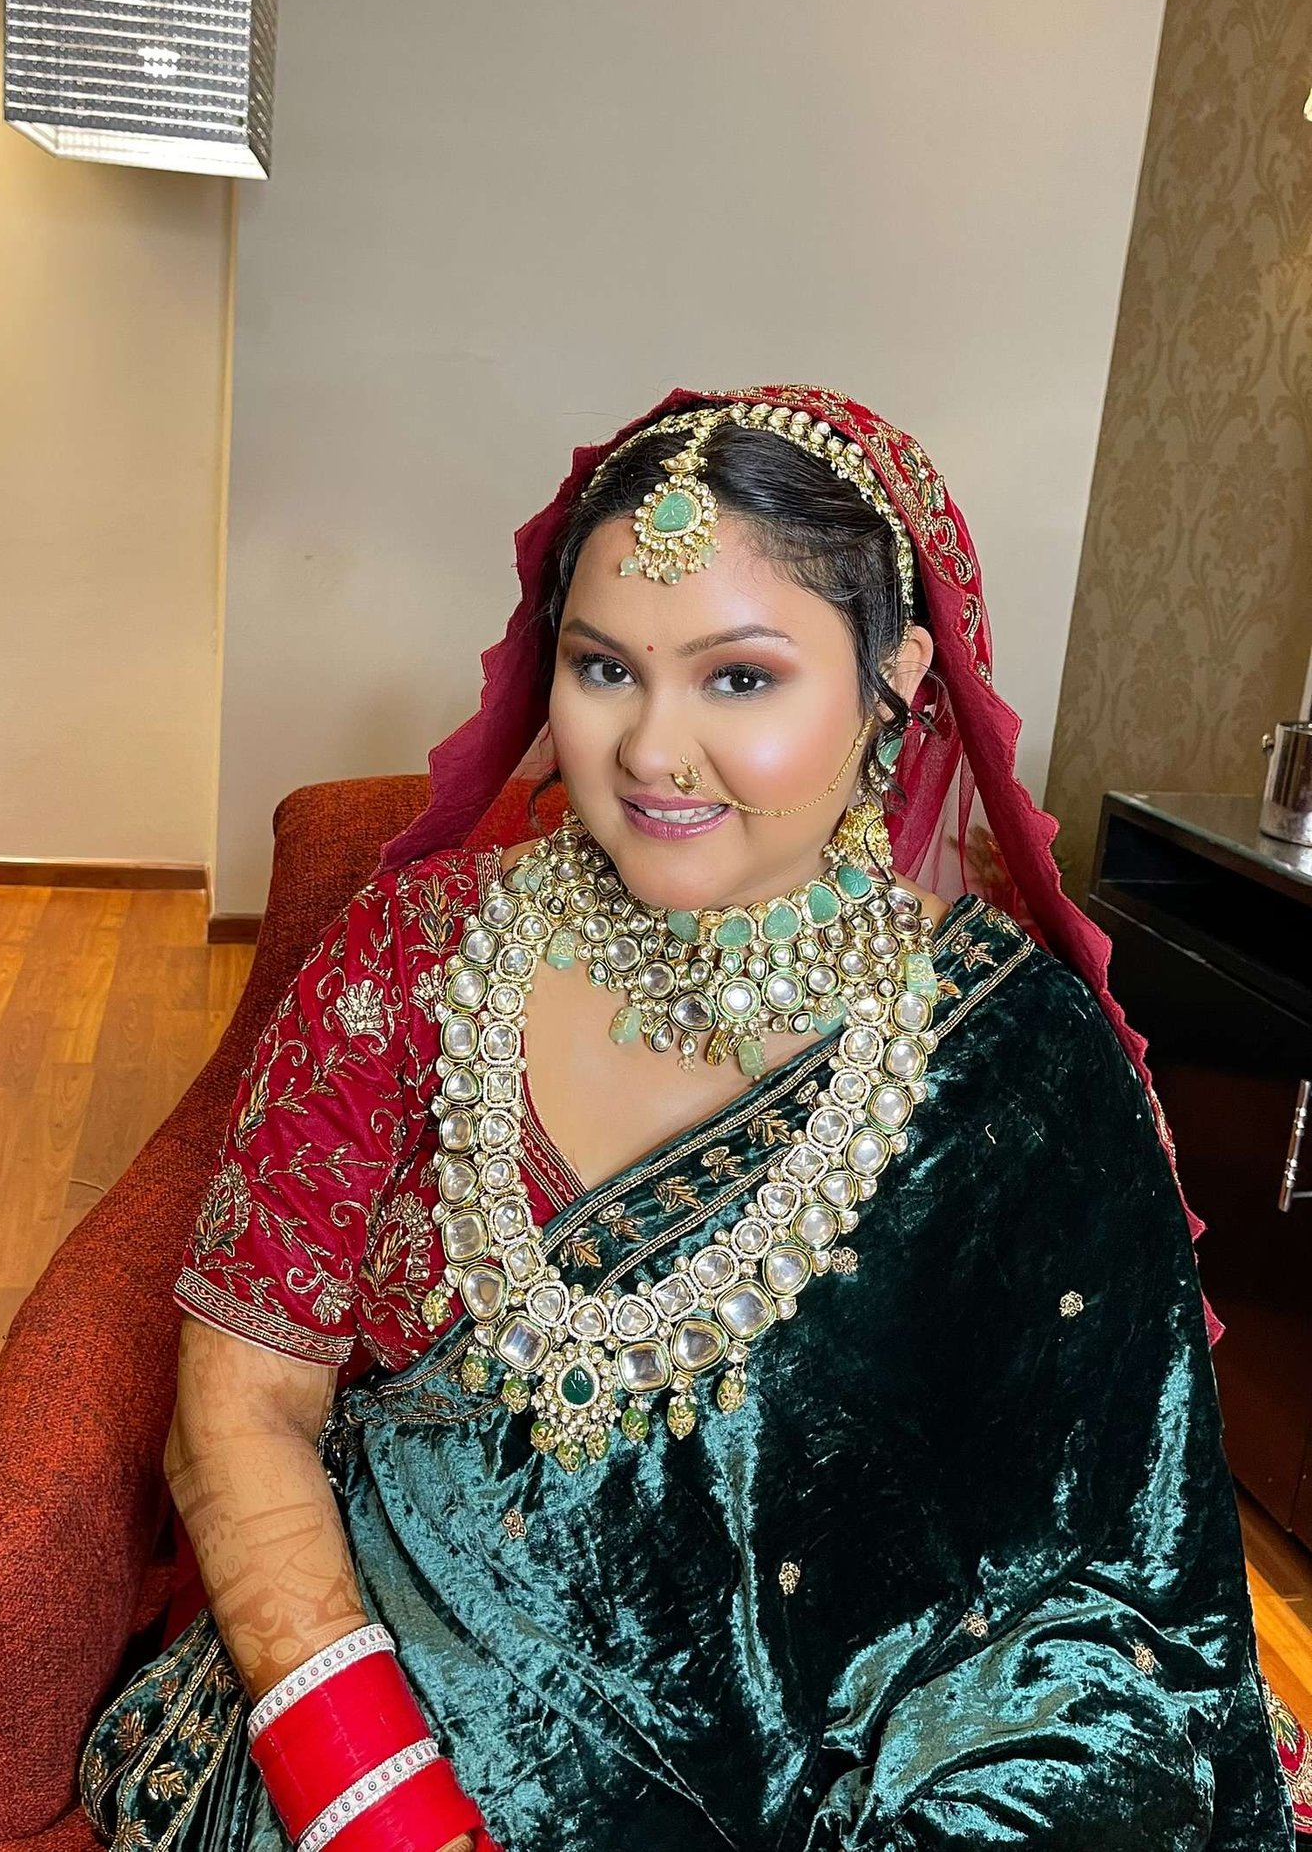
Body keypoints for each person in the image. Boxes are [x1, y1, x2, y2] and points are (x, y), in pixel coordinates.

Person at [82, 387, 1308, 1850]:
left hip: (857, 1769)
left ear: (894, 680)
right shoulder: (409, 958)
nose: (654, 752)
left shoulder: (1017, 1055)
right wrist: (380, 1806)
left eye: (739, 678)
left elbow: (1102, 1596)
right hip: (375, 1733)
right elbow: (238, 1408)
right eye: (605, 668)